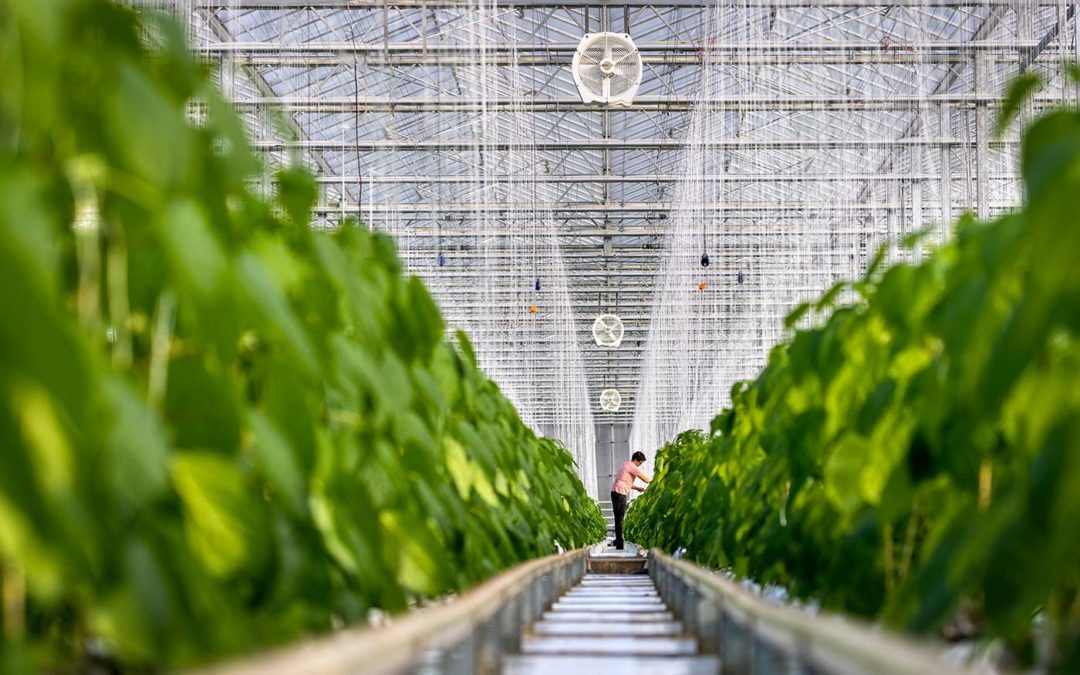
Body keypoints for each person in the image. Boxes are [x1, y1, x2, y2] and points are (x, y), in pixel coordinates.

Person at [610, 451, 650, 550]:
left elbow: (625, 481)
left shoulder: (625, 464)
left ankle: (618, 542)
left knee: (618, 518)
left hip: (615, 492)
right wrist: (656, 481)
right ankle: (619, 544)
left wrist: (637, 488)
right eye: (640, 463)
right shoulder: (632, 466)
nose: (639, 466)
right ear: (636, 460)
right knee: (620, 518)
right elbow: (645, 479)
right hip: (620, 493)